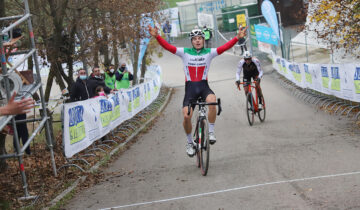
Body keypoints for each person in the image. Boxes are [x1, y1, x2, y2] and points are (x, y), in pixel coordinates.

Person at [148, 24, 248, 157]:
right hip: (190, 89)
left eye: (200, 38)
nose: (197, 40)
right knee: (186, 116)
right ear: (192, 41)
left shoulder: (209, 53)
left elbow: (224, 47)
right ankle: (190, 143)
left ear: (203, 40)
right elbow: (168, 47)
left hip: (204, 87)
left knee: (212, 102)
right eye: (195, 39)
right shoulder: (184, 52)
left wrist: (237, 38)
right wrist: (157, 37)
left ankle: (211, 132)